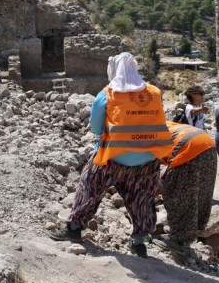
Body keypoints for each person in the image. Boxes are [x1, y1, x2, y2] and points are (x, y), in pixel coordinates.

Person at [49, 52, 173, 258]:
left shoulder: (108, 94)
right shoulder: (154, 92)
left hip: (113, 158)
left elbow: (97, 129)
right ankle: (139, 243)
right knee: (141, 198)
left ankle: (74, 230)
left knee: (89, 188)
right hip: (147, 160)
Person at [158, 122, 217, 248]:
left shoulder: (144, 134)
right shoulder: (162, 123)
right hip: (208, 145)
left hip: (188, 149)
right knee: (201, 192)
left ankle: (178, 239)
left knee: (177, 194)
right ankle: (192, 230)